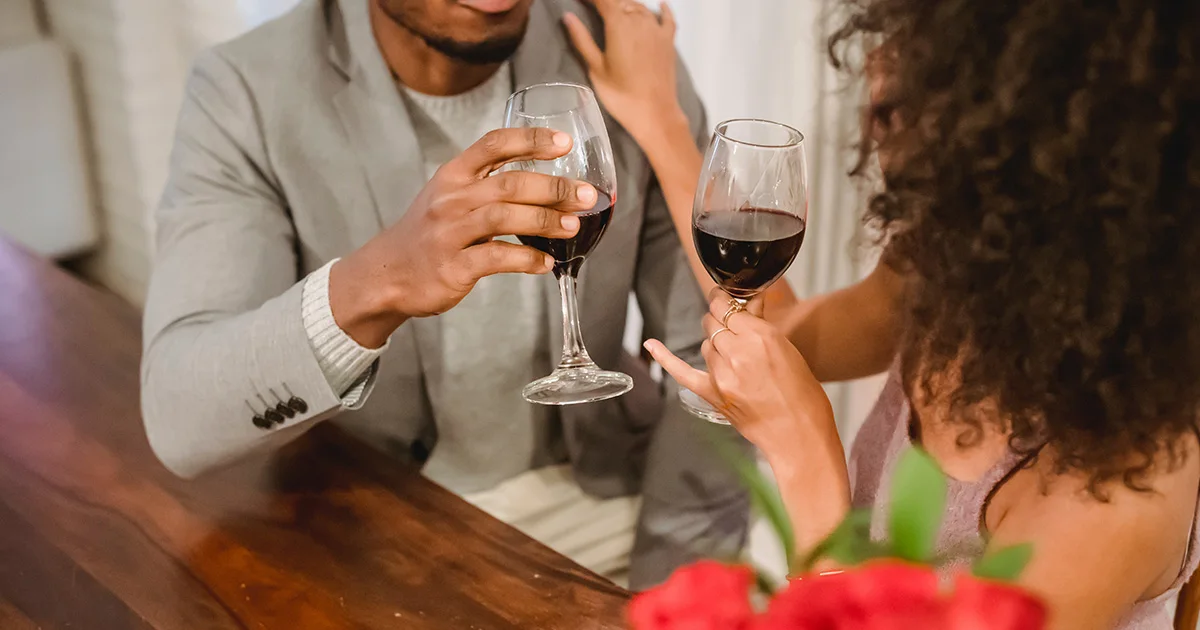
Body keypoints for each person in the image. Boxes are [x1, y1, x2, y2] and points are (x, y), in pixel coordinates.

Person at [623, 1, 1200, 628]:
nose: (879, 64)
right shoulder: (949, 270)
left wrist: (807, 459)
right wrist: (661, 120)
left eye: (934, 55)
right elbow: (787, 332)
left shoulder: (1119, 486)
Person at [139, 0, 751, 589]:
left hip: (613, 509)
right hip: (380, 533)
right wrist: (377, 283)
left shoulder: (621, 46)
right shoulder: (245, 90)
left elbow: (713, 360)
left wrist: (680, 596)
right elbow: (179, 417)